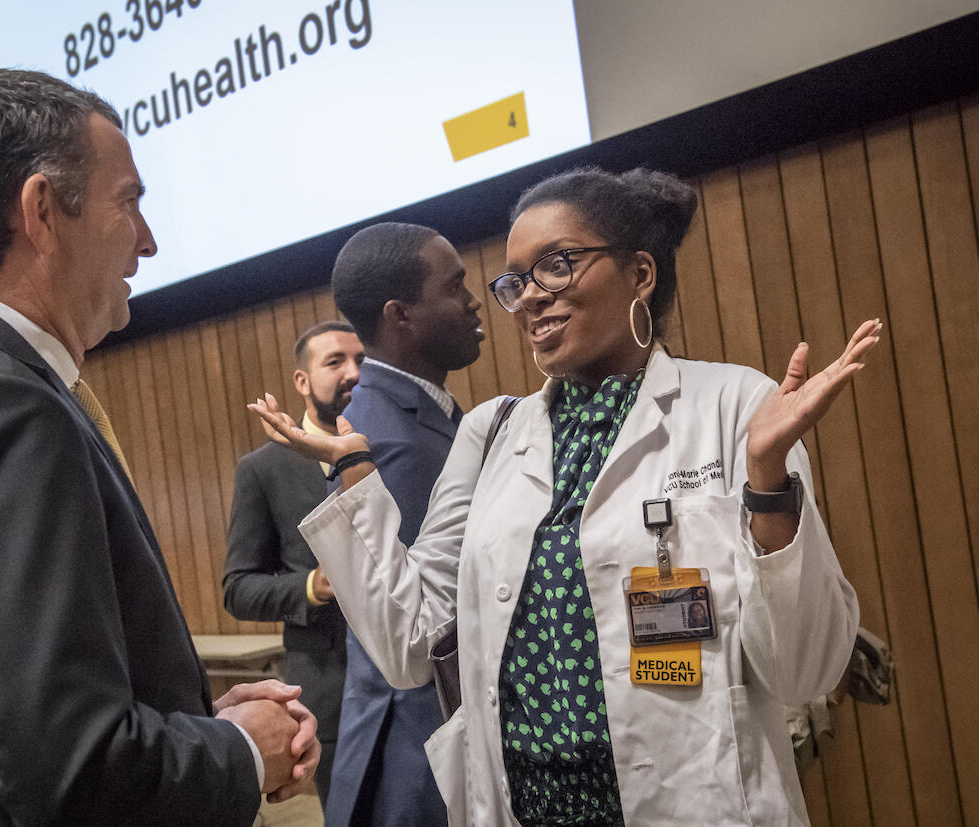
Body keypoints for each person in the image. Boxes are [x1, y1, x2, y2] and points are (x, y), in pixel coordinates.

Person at [251, 167, 875, 825]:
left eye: (558, 265)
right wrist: (354, 471)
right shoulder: (489, 432)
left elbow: (804, 670)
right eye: (517, 281)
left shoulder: (736, 406)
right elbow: (411, 644)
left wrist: (769, 484)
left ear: (640, 274)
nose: (529, 298)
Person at [0, 69, 317, 825]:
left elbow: (20, 717)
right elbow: (73, 770)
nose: (148, 240)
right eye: (128, 202)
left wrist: (205, 725)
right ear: (41, 211)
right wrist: (244, 751)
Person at [318, 222, 484, 826]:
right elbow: (418, 621)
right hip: (421, 751)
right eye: (455, 286)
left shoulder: (412, 411)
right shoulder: (388, 435)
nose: (472, 301)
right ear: (401, 315)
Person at [223, 320, 364, 809]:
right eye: (335, 362)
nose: (354, 373)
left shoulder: (383, 448)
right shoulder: (262, 470)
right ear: (301, 381)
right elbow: (238, 589)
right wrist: (312, 586)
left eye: (362, 361)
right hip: (332, 683)